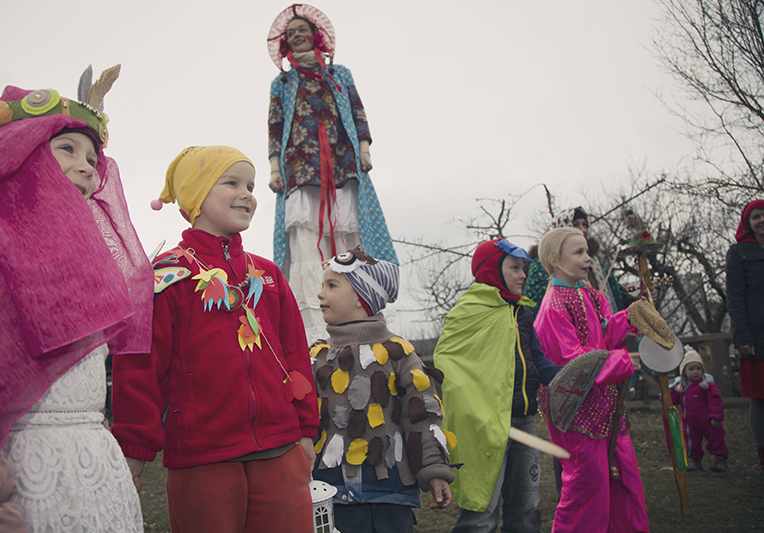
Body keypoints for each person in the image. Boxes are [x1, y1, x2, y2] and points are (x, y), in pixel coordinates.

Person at [0, 70, 153, 532]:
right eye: (67, 149)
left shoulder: (92, 267)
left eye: (92, 158)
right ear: (21, 154)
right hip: (21, 472)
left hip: (97, 467)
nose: (87, 167)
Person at [112, 145, 319, 533]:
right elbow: (140, 366)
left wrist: (305, 429)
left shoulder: (269, 275)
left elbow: (295, 355)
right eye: (232, 183)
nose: (247, 194)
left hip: (280, 450)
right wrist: (135, 446)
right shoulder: (166, 277)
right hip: (202, 457)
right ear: (197, 194)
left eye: (251, 186)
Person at [267, 3, 398, 345]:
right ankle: (314, 335)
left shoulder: (339, 74)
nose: (297, 35)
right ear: (285, 42)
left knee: (348, 237)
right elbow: (275, 126)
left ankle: (358, 320)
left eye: (302, 30)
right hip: (300, 167)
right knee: (306, 243)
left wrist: (364, 149)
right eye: (291, 33)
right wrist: (274, 167)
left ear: (316, 35)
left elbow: (357, 110)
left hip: (341, 162)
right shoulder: (283, 82)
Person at [311, 247, 454, 533]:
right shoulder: (317, 358)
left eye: (331, 285)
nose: (320, 294)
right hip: (332, 496)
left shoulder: (399, 354)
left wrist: (433, 470)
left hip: (389, 494)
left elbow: (422, 416)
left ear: (361, 298)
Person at [434, 239, 562, 533]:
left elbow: (536, 359)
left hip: (523, 421)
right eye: (514, 268)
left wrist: (566, 376)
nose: (522, 275)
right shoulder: (468, 310)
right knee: (481, 513)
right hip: (484, 422)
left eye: (523, 269)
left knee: (527, 507)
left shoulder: (522, 312)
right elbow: (447, 362)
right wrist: (473, 407)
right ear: (492, 269)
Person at [533, 227, 648, 533]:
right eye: (578, 252)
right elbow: (574, 360)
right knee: (587, 484)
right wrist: (623, 361)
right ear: (554, 259)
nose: (587, 258)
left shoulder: (592, 296)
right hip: (576, 410)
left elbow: (603, 332)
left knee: (624, 475)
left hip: (606, 403)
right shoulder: (553, 306)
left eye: (587, 251)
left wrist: (631, 317)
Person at [523, 207, 629, 315]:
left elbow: (616, 289)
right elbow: (534, 305)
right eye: (576, 224)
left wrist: (631, 303)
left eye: (584, 225)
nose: (582, 230)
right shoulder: (544, 263)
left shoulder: (594, 261)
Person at [725, 199, 764, 477]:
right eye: (756, 217)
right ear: (748, 223)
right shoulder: (739, 253)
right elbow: (735, 297)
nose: (762, 221)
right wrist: (742, 337)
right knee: (760, 399)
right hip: (756, 336)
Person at [669, 346, 728, 472]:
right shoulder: (681, 388)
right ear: (684, 372)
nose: (696, 372)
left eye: (698, 369)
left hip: (708, 421)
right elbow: (672, 400)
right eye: (691, 369)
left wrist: (716, 417)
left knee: (716, 438)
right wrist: (666, 394)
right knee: (691, 443)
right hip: (689, 423)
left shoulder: (706, 386)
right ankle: (695, 462)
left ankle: (720, 460)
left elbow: (715, 401)